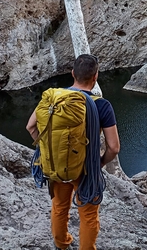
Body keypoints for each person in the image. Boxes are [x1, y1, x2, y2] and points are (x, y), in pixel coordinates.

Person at [26, 54, 121, 250]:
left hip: (57, 164)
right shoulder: (101, 105)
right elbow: (114, 147)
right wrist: (100, 162)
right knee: (88, 214)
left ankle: (62, 244)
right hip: (85, 170)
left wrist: (48, 150)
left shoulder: (53, 98)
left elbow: (31, 127)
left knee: (60, 207)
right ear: (95, 77)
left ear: (72, 74)